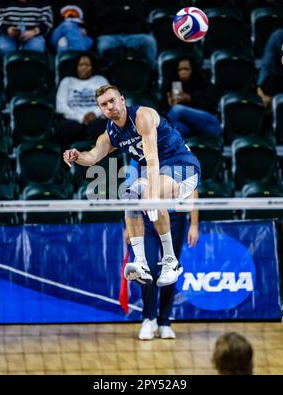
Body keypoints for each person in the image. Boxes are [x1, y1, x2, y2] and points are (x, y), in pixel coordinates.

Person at [63, 84, 201, 287]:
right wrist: (77, 156)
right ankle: (141, 263)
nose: (110, 106)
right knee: (130, 193)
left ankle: (172, 261)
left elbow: (152, 158)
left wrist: (152, 195)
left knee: (146, 192)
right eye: (104, 104)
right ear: (101, 109)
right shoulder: (110, 134)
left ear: (122, 99)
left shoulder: (143, 116)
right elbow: (93, 157)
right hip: (159, 174)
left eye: (112, 100)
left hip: (183, 166)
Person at [125, 158, 199, 339]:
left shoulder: (177, 153)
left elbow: (192, 190)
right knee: (147, 267)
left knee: (170, 268)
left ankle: (164, 321)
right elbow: (130, 193)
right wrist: (128, 226)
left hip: (175, 219)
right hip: (147, 220)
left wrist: (194, 224)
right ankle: (148, 319)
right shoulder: (137, 159)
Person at [55, 54, 109, 151]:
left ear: (92, 67)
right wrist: (81, 117)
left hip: (97, 119)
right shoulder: (67, 81)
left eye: (87, 65)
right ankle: (69, 164)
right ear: (76, 67)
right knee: (63, 128)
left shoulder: (101, 80)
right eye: (81, 65)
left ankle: (103, 162)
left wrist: (95, 114)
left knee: (107, 126)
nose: (84, 67)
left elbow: (108, 101)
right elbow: (61, 106)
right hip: (73, 120)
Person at [166, 58, 222, 138]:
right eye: (180, 70)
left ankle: (155, 134)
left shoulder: (204, 83)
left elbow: (211, 106)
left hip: (209, 124)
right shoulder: (174, 86)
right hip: (189, 127)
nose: (183, 72)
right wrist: (170, 105)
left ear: (193, 70)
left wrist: (190, 99)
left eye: (186, 69)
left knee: (178, 109)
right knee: (176, 127)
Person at [93, 0, 157, 68]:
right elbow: (102, 13)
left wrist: (114, 12)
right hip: (110, 36)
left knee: (150, 41)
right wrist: (124, 9)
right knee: (102, 46)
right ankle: (104, 73)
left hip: (134, 35)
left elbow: (138, 13)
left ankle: (151, 71)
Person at [257, 28, 283, 112]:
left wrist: (262, 86)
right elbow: (267, 67)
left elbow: (267, 67)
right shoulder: (278, 36)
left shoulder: (279, 35)